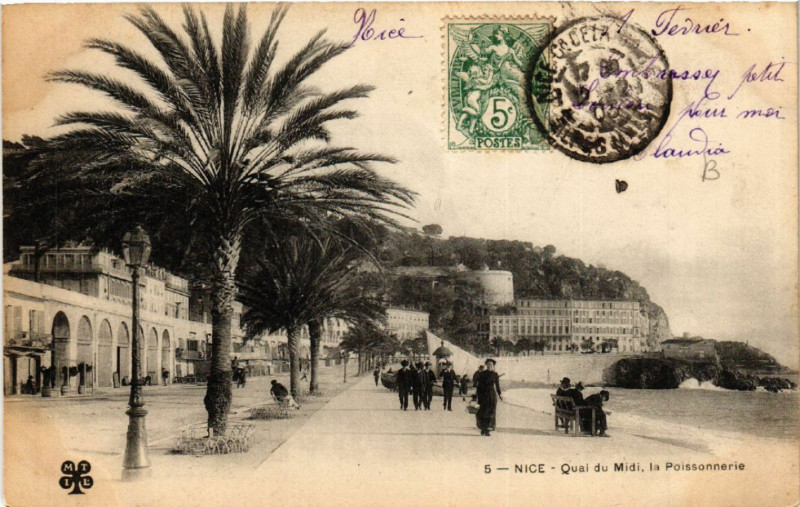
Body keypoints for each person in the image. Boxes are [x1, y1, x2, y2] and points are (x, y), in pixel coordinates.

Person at [475, 358, 502, 436]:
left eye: (491, 365)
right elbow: (479, 385)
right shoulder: (482, 374)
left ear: (493, 366)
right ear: (486, 365)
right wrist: (477, 394)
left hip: (491, 396)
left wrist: (500, 394)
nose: (490, 366)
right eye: (488, 364)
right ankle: (483, 428)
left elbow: (497, 385)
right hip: (483, 395)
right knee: (483, 412)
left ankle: (487, 429)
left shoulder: (495, 374)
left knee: (491, 412)